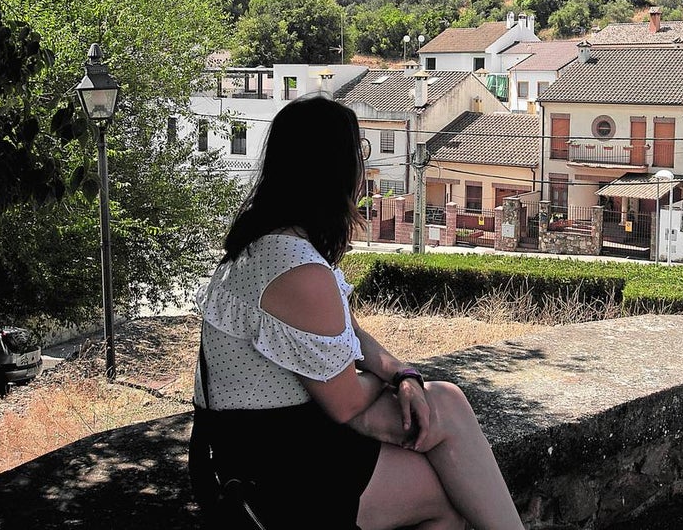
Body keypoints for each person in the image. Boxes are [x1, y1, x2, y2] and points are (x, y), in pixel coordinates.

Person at [192, 95, 524, 530]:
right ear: (334, 169)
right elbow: (345, 402)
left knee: (446, 404)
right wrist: (392, 384)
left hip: (253, 445)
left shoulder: (268, 245)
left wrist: (402, 374)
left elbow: (349, 333)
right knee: (446, 493)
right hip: (268, 474)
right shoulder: (297, 270)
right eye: (359, 152)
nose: (363, 170)